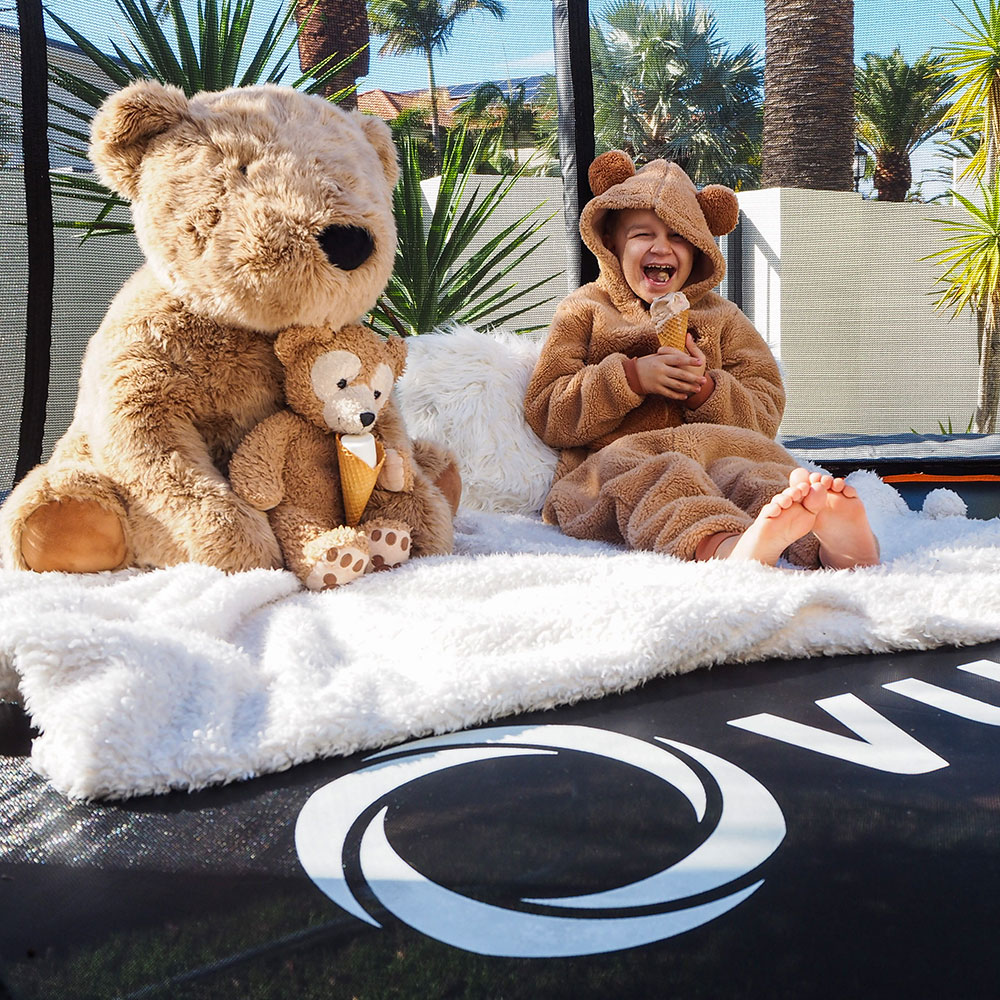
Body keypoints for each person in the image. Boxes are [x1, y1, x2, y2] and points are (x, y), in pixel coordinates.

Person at [524, 151, 879, 569]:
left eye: (678, 237)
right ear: (612, 244)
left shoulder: (724, 318)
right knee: (663, 479)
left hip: (718, 452)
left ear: (698, 252)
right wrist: (631, 378)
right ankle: (727, 547)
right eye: (643, 234)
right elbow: (547, 412)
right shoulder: (584, 310)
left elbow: (764, 412)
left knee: (758, 478)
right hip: (617, 460)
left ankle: (830, 543)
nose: (662, 247)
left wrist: (707, 390)